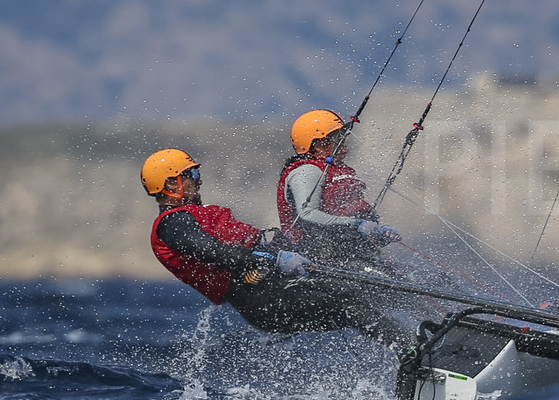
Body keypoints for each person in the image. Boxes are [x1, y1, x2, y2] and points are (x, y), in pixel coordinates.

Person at [143, 147, 409, 351]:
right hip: (261, 300)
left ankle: (429, 333)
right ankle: (412, 350)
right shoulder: (172, 224)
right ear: (170, 184)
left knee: (365, 286)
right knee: (349, 303)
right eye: (192, 175)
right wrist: (275, 258)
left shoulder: (191, 215)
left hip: (275, 283)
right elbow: (215, 253)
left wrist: (357, 234)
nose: (198, 181)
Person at [277, 110, 401, 264]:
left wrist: (377, 232)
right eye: (339, 142)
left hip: (349, 253)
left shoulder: (337, 170)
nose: (345, 149)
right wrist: (356, 224)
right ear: (318, 146)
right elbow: (307, 214)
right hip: (314, 257)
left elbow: (345, 217)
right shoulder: (307, 171)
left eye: (344, 141)